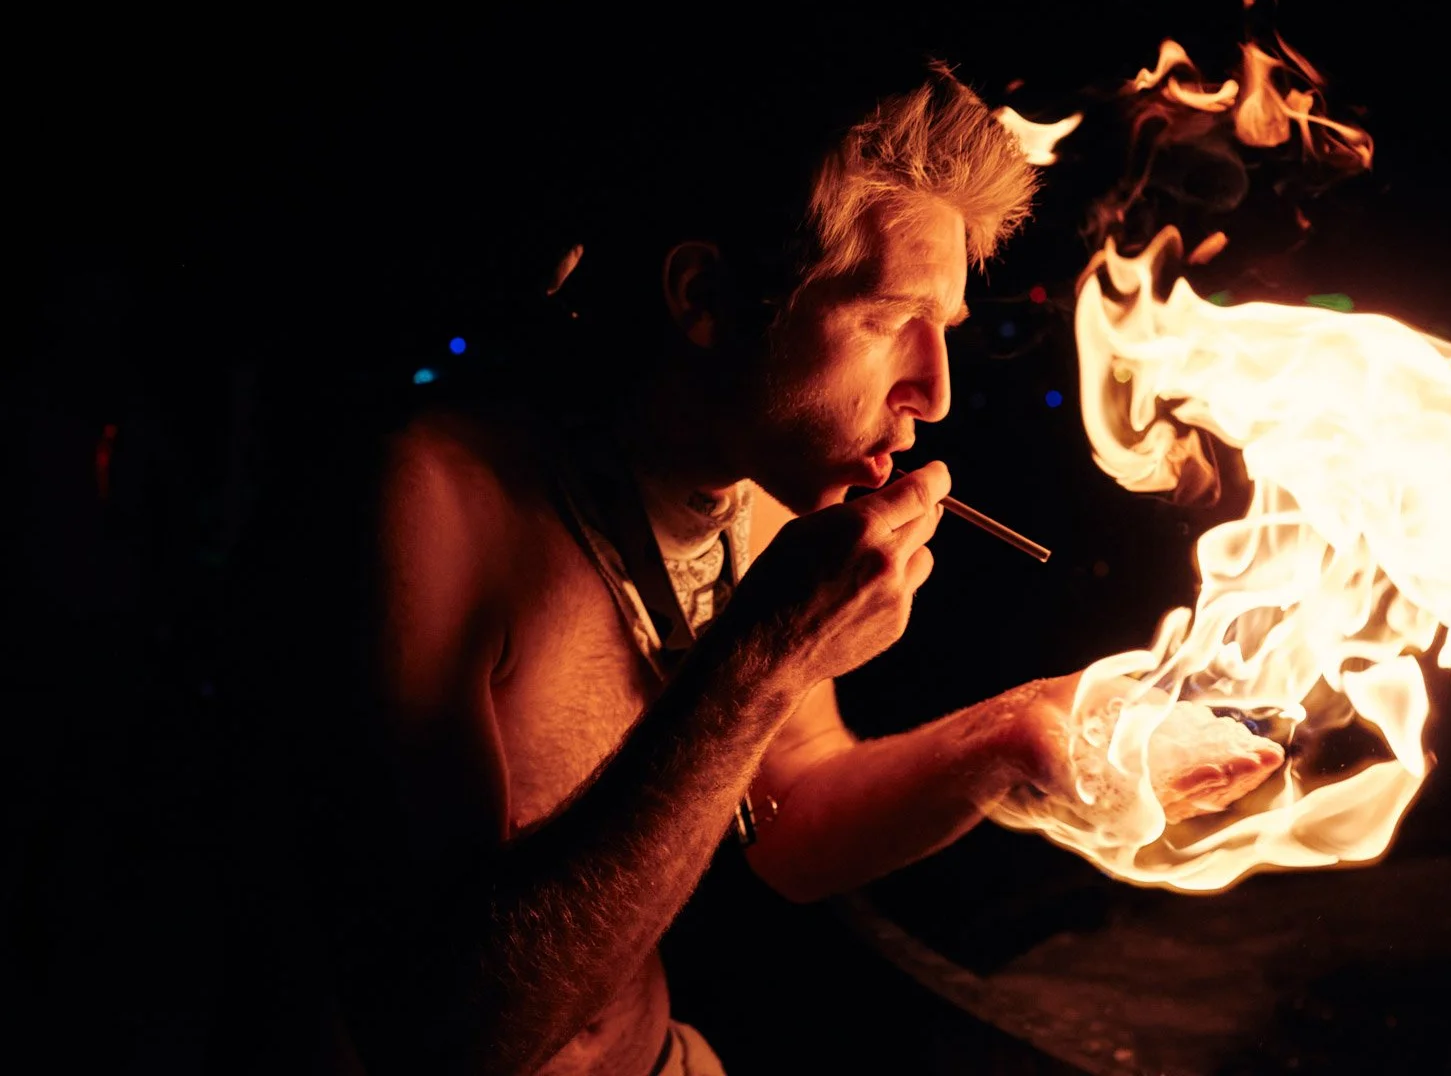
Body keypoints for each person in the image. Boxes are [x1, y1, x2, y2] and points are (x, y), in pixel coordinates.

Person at [226, 52, 1282, 1076]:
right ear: (706, 299)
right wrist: (763, 655)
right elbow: (449, 1040)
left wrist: (1021, 733)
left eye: (946, 327)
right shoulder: (432, 502)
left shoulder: (761, 493)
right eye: (888, 318)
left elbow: (796, 821)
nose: (934, 390)